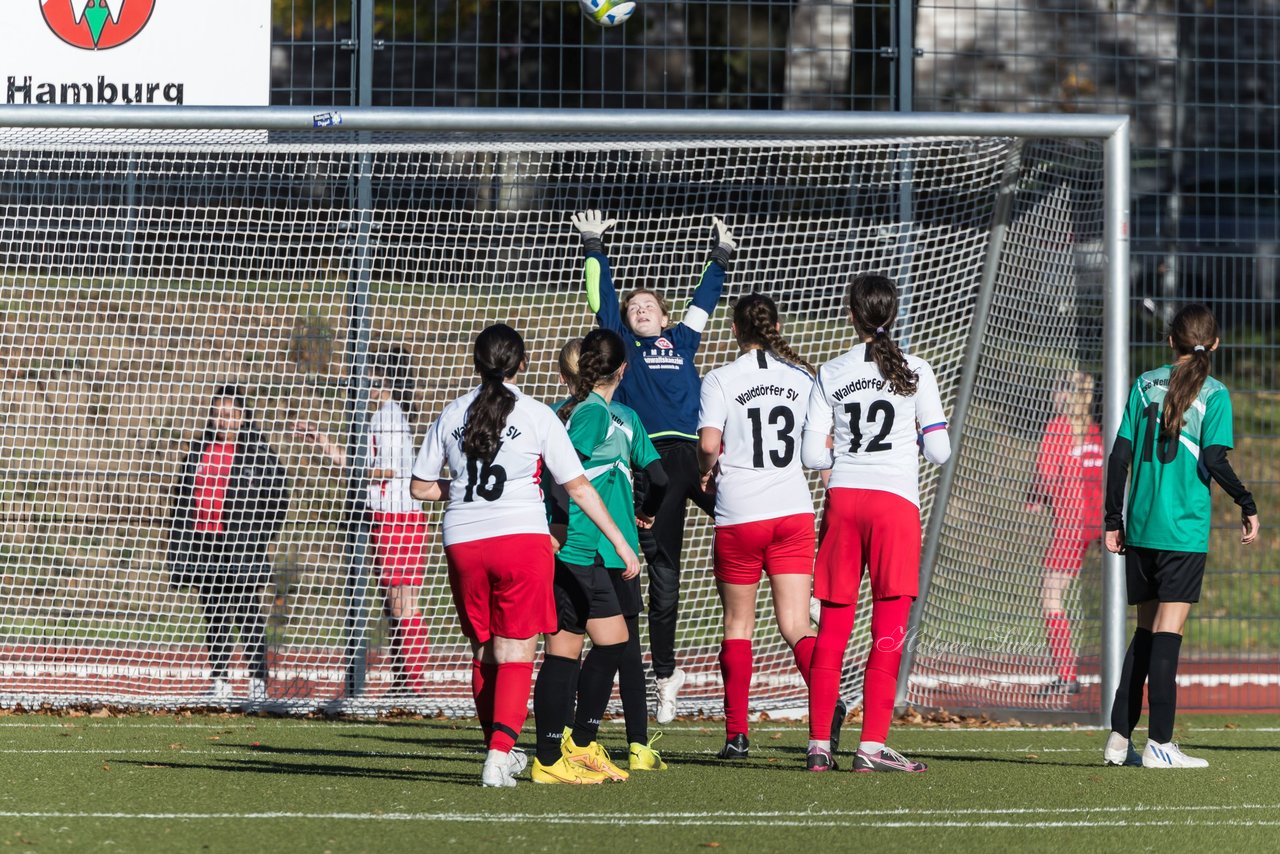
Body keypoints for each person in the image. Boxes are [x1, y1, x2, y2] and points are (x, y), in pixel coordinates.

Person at [410, 323, 641, 788]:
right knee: (516, 648)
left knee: (484, 648)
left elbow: (418, 487)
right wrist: (618, 540)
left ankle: (501, 749)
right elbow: (576, 486)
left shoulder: (452, 412)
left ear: (477, 363)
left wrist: (465, 491)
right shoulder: (536, 414)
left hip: (462, 539)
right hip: (520, 538)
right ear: (522, 363)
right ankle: (499, 756)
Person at [569, 208, 736, 723]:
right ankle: (665, 674)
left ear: (665, 317)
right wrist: (594, 245)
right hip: (654, 465)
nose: (641, 309)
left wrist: (721, 257)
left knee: (751, 516)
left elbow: (705, 300)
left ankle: (805, 589)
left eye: (649, 306)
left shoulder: (682, 340)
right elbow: (602, 301)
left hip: (698, 456)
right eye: (634, 307)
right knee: (663, 574)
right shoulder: (623, 349)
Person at [801, 274, 950, 773]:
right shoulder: (916, 369)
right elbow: (939, 450)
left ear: (851, 314)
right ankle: (870, 748)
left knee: (833, 629)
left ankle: (819, 745)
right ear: (894, 312)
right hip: (895, 507)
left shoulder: (831, 371)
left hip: (845, 503)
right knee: (888, 627)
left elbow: (809, 452)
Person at [1103, 304, 1259, 769]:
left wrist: (1114, 519)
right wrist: (1246, 503)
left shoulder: (1144, 383)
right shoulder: (1215, 393)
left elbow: (1120, 456)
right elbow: (1213, 460)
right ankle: (1161, 745)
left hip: (1144, 528)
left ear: (1170, 341)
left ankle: (1118, 738)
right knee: (1167, 637)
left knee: (1146, 634)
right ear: (1215, 345)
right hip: (1183, 532)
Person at [696, 293, 846, 759]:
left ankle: (737, 736)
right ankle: (828, 701)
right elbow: (820, 445)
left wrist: (706, 468)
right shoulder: (802, 377)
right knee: (797, 624)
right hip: (791, 510)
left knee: (738, 623)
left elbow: (708, 443)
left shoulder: (719, 378)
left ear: (735, 331)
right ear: (775, 327)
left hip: (740, 514)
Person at [532, 329, 670, 784]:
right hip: (576, 546)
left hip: (590, 548)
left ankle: (580, 744)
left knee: (610, 641)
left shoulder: (596, 410)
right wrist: (558, 524)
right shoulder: (591, 412)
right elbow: (562, 472)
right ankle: (550, 755)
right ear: (622, 369)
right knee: (565, 650)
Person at [294, 347, 431, 695]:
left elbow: (387, 469)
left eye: (370, 373)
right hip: (384, 517)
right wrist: (323, 443)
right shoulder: (378, 416)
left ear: (385, 379)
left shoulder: (388, 417)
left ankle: (414, 686)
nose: (363, 381)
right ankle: (404, 683)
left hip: (398, 517)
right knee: (392, 605)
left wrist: (352, 468)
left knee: (402, 603)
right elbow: (363, 465)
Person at [167, 385, 290, 707]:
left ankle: (257, 682)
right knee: (215, 612)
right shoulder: (199, 449)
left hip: (241, 547)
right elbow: (181, 497)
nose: (223, 420)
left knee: (247, 613)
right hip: (205, 543)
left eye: (230, 414)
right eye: (218, 413)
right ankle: (220, 680)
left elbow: (279, 496)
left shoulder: (257, 453)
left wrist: (262, 536)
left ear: (241, 417)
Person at [1027, 369, 1104, 696]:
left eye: (1060, 388)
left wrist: (1034, 499)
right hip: (1098, 523)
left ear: (1069, 394)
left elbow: (1045, 477)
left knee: (1051, 596)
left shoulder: (1058, 428)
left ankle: (1066, 673)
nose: (1055, 393)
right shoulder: (1095, 431)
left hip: (1070, 527)